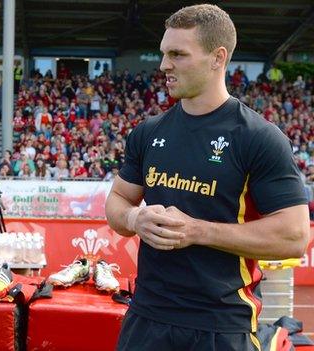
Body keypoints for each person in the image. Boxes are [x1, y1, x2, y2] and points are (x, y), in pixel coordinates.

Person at [105, 5, 309, 351]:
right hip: (146, 319)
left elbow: (293, 237)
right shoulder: (148, 132)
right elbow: (117, 201)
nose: (163, 65)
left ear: (218, 58)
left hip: (221, 325)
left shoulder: (259, 137)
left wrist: (197, 231)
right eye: (164, 54)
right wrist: (134, 217)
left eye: (177, 54)